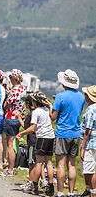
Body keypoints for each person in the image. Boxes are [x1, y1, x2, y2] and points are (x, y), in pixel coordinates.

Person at [46, 69, 85, 197]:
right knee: (72, 164)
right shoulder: (80, 96)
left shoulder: (60, 97)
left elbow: (53, 117)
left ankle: (60, 192)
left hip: (62, 133)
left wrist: (49, 106)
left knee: (60, 164)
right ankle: (71, 192)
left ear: (64, 83)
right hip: (75, 133)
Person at [15, 92, 55, 195]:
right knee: (49, 163)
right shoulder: (46, 110)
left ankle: (35, 186)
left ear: (34, 101)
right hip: (51, 137)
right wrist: (50, 105)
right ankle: (50, 188)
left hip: (42, 138)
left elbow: (32, 129)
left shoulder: (36, 112)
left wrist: (21, 133)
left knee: (39, 163)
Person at [1, 69, 26, 177]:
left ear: (13, 78)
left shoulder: (14, 91)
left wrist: (8, 96)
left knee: (10, 145)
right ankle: (12, 167)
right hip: (18, 117)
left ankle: (10, 169)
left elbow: (6, 105)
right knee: (14, 144)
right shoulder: (23, 89)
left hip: (10, 116)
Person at [80, 85, 96, 197]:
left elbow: (88, 130)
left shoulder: (91, 110)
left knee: (90, 169)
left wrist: (82, 146)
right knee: (88, 168)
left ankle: (93, 191)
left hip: (90, 143)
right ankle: (89, 190)